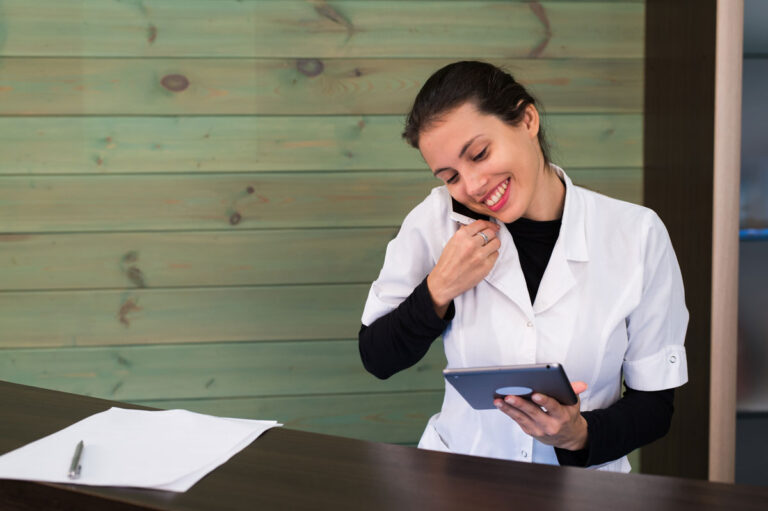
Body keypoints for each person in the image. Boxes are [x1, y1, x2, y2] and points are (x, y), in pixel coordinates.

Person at [358, 61, 689, 472]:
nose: (473, 185)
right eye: (450, 176)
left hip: (586, 489)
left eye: (479, 154)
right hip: (459, 480)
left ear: (527, 119)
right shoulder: (436, 221)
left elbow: (656, 404)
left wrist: (578, 435)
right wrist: (438, 288)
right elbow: (377, 357)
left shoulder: (637, 235)